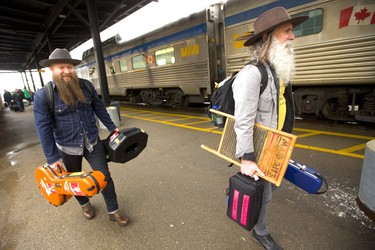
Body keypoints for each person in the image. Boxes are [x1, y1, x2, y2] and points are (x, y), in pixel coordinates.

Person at [232, 7, 309, 250]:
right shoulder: (252, 74)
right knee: (264, 194)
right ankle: (260, 232)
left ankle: (238, 195)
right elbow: (242, 120)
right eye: (287, 31)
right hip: (259, 148)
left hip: (276, 145)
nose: (292, 36)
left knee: (269, 190)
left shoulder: (277, 70)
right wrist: (246, 158)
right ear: (267, 37)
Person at [33, 48, 129, 226]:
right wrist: (52, 158)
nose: (66, 71)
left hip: (92, 142)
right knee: (74, 182)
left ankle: (113, 211)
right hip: (66, 147)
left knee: (105, 177)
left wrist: (113, 129)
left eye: (69, 67)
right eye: (61, 67)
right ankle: (85, 205)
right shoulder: (43, 96)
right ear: (52, 69)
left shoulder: (86, 86)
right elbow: (43, 128)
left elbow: (99, 108)